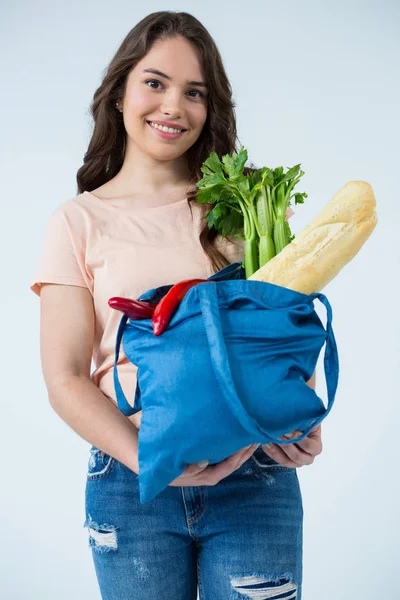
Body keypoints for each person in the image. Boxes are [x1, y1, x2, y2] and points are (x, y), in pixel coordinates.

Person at [30, 11, 322, 600]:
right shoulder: (77, 220)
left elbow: (281, 337)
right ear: (119, 94)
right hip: (130, 480)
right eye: (155, 83)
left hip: (254, 473)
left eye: (195, 93)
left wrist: (297, 422)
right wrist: (146, 458)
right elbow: (64, 378)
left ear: (211, 109)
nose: (173, 107)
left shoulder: (249, 205)